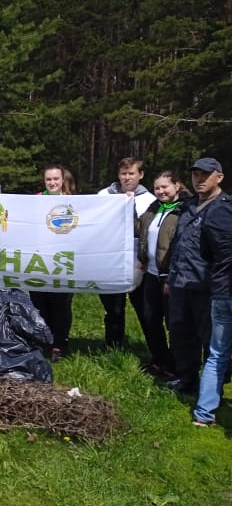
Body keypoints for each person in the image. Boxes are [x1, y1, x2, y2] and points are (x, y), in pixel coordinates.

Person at [165, 158, 227, 395]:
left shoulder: (223, 208)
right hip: (181, 283)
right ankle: (187, 379)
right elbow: (178, 245)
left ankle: (214, 387)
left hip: (208, 286)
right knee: (180, 334)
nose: (199, 180)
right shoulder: (188, 206)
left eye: (205, 175)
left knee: (211, 339)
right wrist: (170, 278)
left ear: (218, 177)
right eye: (196, 175)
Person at [96, 157, 156, 348]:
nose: (127, 177)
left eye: (131, 173)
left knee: (144, 310)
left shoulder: (151, 200)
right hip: (110, 262)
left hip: (140, 264)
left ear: (141, 175)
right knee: (113, 309)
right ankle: (113, 348)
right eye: (123, 173)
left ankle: (155, 351)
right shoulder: (103, 195)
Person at [136, 171, 187, 378]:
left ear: (176, 186)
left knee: (173, 323)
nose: (161, 191)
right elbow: (138, 228)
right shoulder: (154, 208)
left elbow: (181, 246)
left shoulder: (184, 210)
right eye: (157, 188)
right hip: (151, 274)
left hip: (170, 277)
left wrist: (170, 276)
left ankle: (176, 365)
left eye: (165, 187)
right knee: (150, 318)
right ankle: (159, 358)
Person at [191, 183, 232, 426]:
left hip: (221, 290)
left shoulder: (214, 212)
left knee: (217, 355)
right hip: (223, 289)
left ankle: (203, 414)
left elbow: (204, 252)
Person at [29, 164, 76, 361]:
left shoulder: (73, 201)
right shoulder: (36, 200)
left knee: (61, 304)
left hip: (63, 261)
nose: (52, 182)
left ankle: (59, 343)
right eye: (49, 179)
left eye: (56, 179)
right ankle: (43, 340)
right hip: (39, 259)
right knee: (39, 302)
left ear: (62, 179)